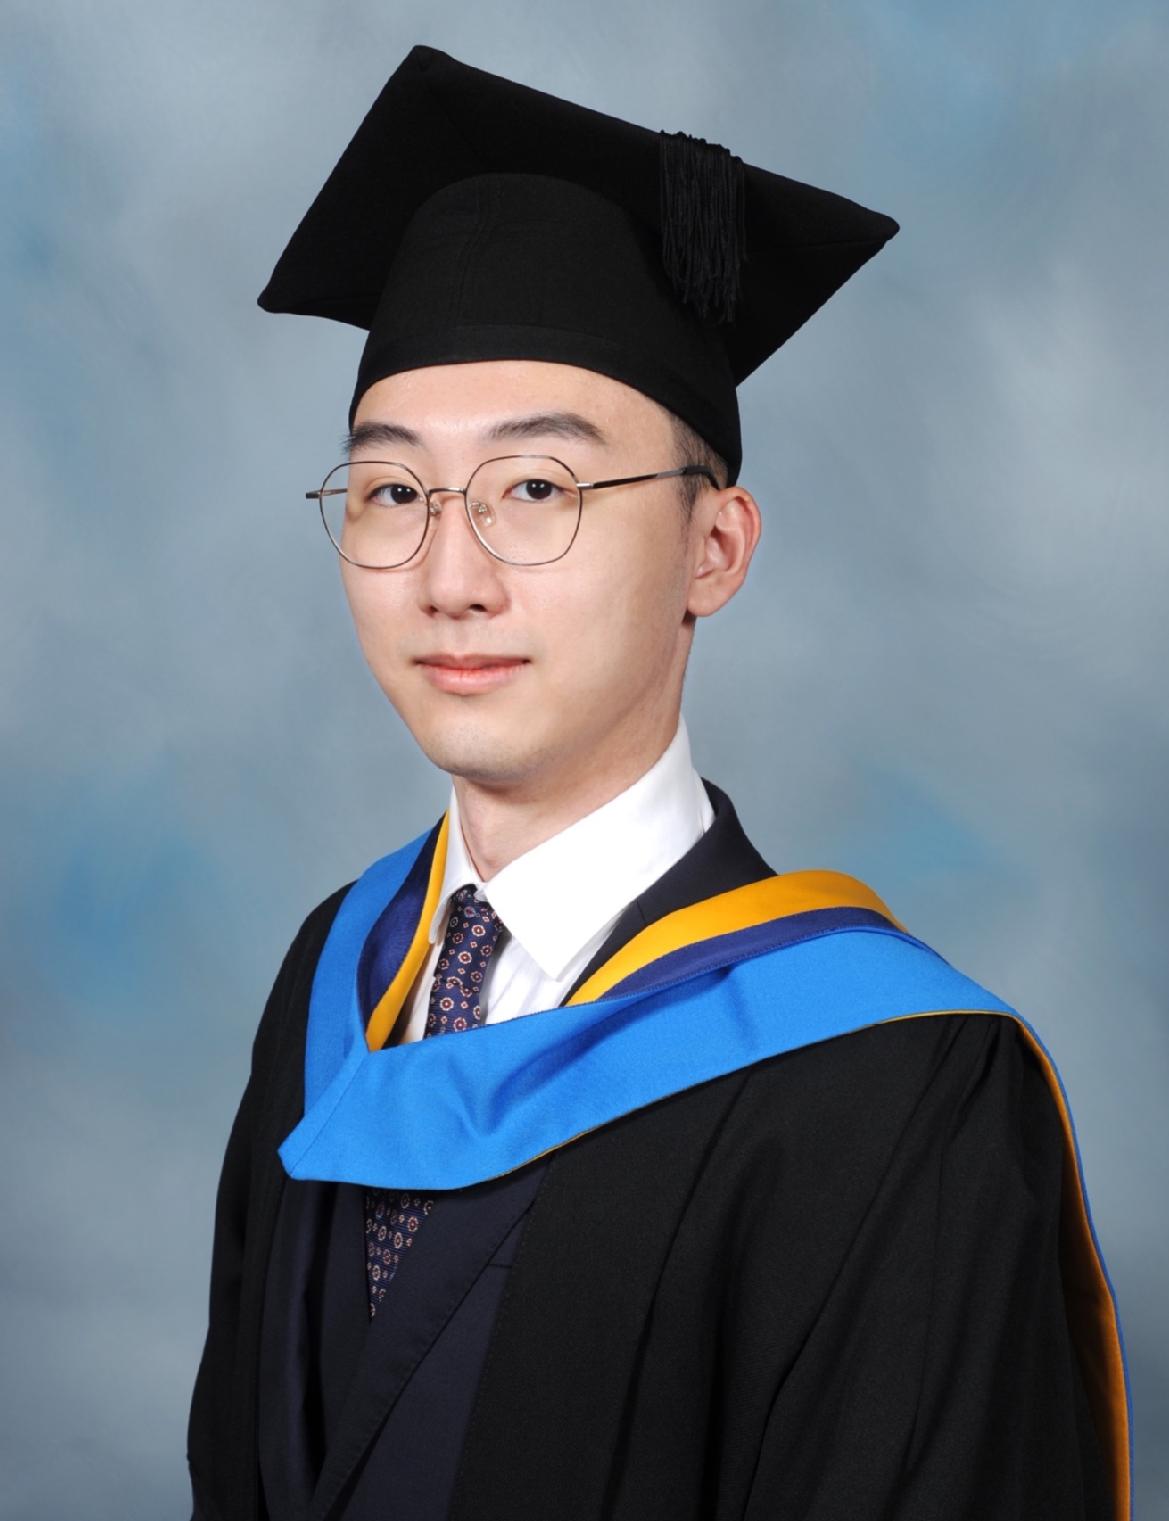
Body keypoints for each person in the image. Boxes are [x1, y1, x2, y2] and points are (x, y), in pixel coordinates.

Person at [186, 44, 1130, 1521]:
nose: (449, 576)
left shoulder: (889, 1093)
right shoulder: (333, 977)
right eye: (392, 491)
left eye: (536, 490)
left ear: (714, 549)